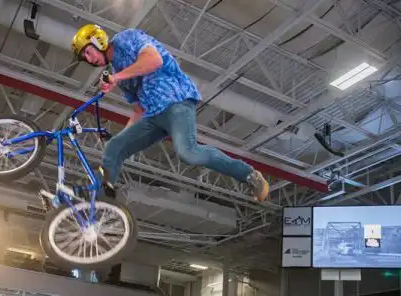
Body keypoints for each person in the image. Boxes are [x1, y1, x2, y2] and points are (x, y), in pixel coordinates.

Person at [70, 24, 270, 202]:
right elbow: (139, 108)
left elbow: (154, 60)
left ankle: (249, 175)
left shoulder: (126, 39)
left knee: (188, 152)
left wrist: (117, 78)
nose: (90, 59)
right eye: (85, 58)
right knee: (115, 146)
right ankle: (99, 195)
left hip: (176, 102)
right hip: (154, 117)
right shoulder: (117, 72)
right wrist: (125, 137)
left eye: (88, 52)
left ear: (98, 40)